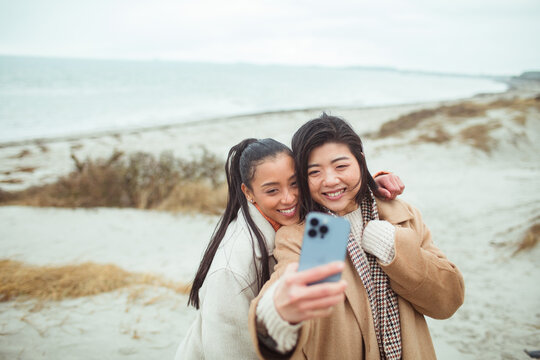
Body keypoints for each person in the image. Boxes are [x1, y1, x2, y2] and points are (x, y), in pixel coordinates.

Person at [249, 114, 465, 359]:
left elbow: (448, 301)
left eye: (341, 166)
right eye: (314, 172)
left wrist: (394, 247)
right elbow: (285, 290)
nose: (330, 181)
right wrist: (278, 310)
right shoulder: (308, 236)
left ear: (360, 162)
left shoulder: (401, 215)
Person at [176, 137, 404, 359]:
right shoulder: (231, 269)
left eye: (295, 183)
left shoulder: (298, 218)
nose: (289, 198)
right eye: (272, 190)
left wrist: (372, 182)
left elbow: (335, 189)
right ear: (248, 193)